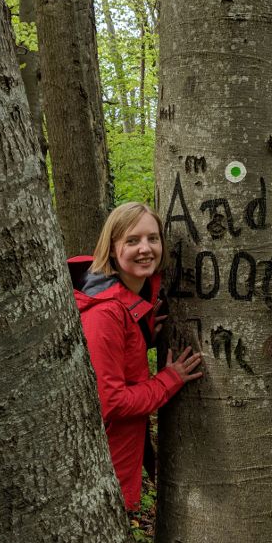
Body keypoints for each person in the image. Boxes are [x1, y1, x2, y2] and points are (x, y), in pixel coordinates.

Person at [68, 202, 203, 510]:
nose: (145, 248)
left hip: (117, 462)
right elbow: (110, 401)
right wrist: (169, 380)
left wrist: (143, 337)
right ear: (113, 249)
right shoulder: (106, 313)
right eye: (132, 240)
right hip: (103, 470)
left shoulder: (129, 303)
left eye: (152, 239)